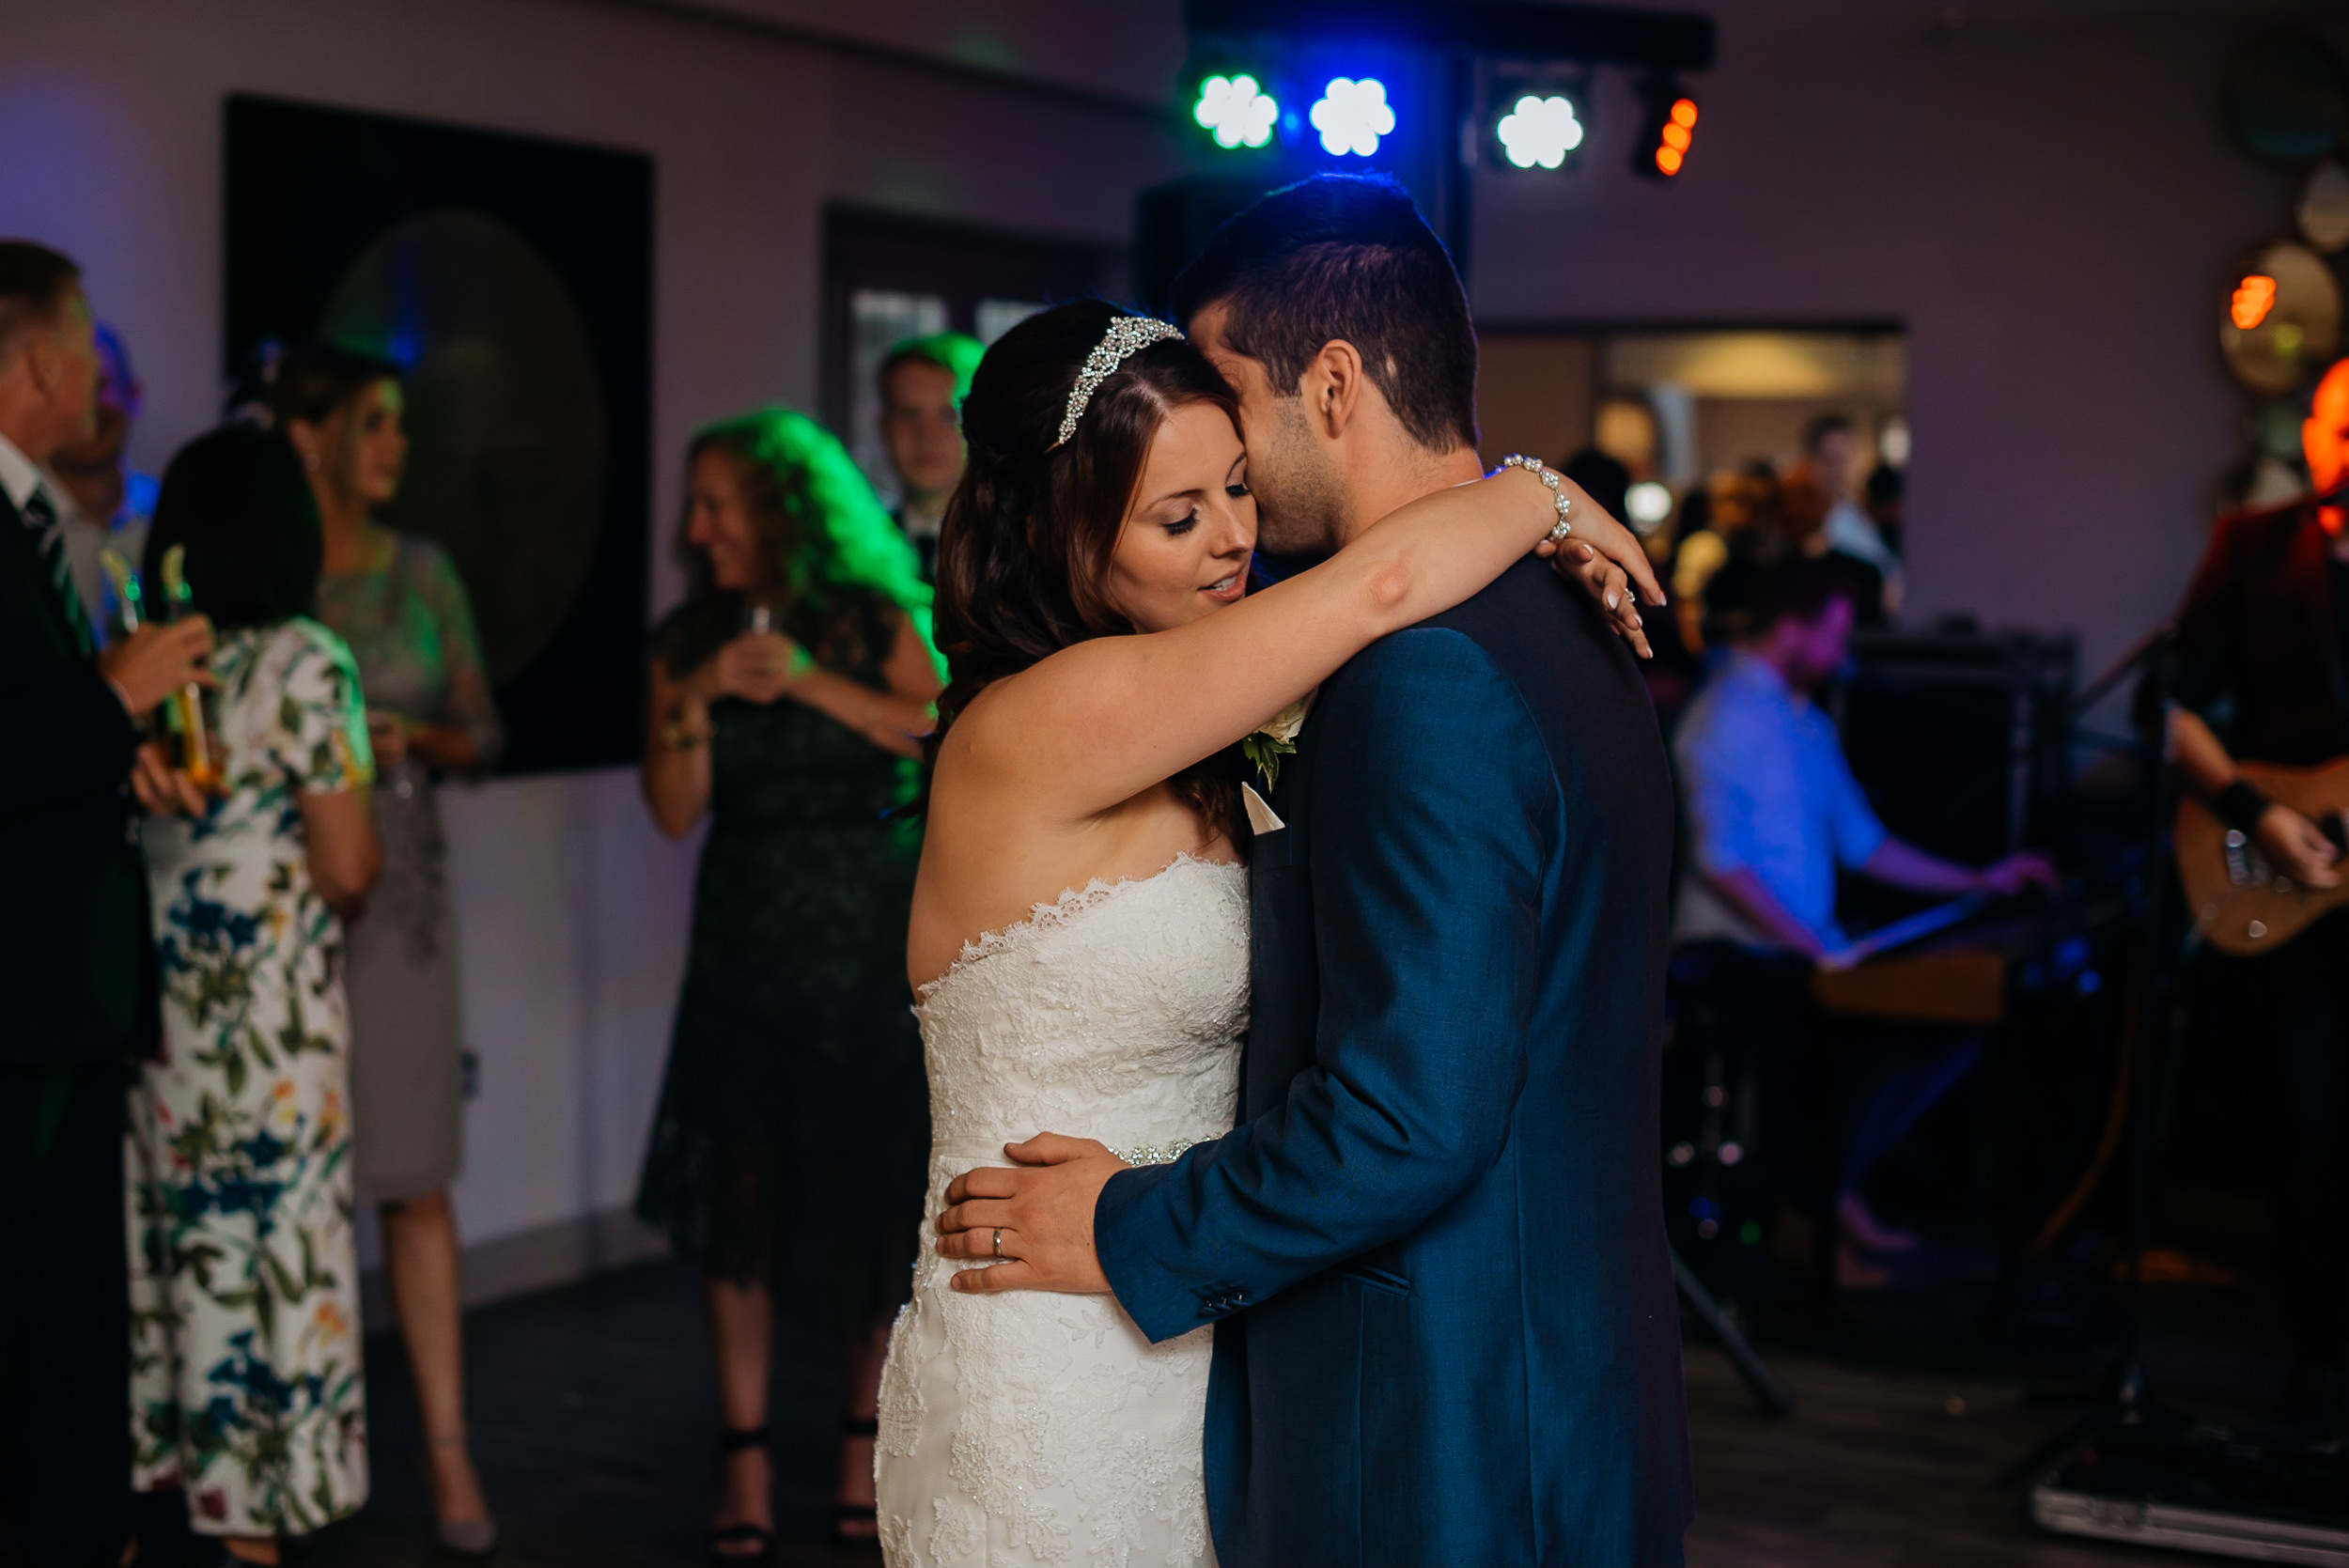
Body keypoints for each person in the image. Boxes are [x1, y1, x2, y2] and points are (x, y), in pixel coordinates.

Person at [890, 176, 1679, 1568]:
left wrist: (1143, 1223)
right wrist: (1538, 494)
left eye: (1237, 470)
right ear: (1072, 525)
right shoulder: (1554, 625)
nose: (1234, 531)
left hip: (1414, 1398)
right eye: (1177, 509)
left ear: (1328, 387)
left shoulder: (1422, 674)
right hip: (1088, 1345)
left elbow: (1412, 1113)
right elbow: (1376, 589)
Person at [634, 407, 943, 1557]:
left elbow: (944, 738)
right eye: (693, 504)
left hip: (866, 949)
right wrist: (696, 695)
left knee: (869, 1210)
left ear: (780, 507)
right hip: (744, 958)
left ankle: (860, 1451)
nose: (696, 526)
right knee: (743, 1213)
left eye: (715, 502)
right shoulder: (683, 641)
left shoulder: (873, 617)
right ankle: (746, 1463)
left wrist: (813, 686)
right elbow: (671, 811)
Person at [127, 424, 382, 1565]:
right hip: (268, 1032)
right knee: (271, 1250)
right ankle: (258, 1527)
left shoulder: (147, 658)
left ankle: (168, 1491)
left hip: (162, 1019)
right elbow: (348, 863)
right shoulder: (306, 660)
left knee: (173, 1252)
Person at [0, 240, 212, 1568]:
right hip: (14, 1009)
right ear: (31, 365)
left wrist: (107, 747)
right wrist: (112, 696)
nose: (100, 381)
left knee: (76, 1312)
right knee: (29, 1313)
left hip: (67, 1000)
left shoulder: (44, 520)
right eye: (85, 354)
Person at [272, 341, 504, 1557]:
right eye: (377, 423)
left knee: (415, 1177)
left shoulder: (424, 574)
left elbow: (484, 729)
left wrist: (412, 734)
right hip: (285, 900)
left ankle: (451, 1452)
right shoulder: (265, 574)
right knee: (293, 1183)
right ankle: (301, 1449)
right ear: (310, 436)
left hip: (401, 896)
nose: (397, 446)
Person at [1671, 557, 2053, 1278]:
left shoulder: (1804, 720)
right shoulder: (1722, 716)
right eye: (1836, 636)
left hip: (1800, 949)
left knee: (1934, 1033)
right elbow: (1721, 865)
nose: (1844, 655)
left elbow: (1864, 842)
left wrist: (1978, 879)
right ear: (1793, 629)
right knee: (1831, 1037)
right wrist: (1818, 950)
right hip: (1734, 951)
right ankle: (1810, 1219)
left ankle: (1829, 1195)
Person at [2166, 354, 2349, 1427]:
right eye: (2333, 419)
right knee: (2304, 1125)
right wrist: (2256, 811)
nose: (2345, 440)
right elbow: (2174, 704)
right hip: (2282, 892)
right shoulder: (2253, 547)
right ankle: (2315, 1360)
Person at [50, 320, 156, 634]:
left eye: (99, 385)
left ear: (133, 396)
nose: (86, 407)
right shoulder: (20, 523)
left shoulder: (171, 512)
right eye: (70, 391)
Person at [878, 332, 984, 582]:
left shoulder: (1017, 551)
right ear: (885, 427)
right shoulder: (857, 549)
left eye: (948, 416)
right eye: (909, 414)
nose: (926, 435)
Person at [1799, 412, 1903, 619]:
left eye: (1846, 458)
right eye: (1831, 461)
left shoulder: (1859, 514)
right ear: (1812, 462)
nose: (1841, 470)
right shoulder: (1808, 520)